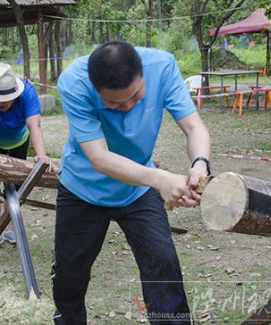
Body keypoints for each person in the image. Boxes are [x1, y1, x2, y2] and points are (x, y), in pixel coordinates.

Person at [53, 40, 211, 324]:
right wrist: (160, 179)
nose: (126, 107)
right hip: (82, 190)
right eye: (113, 103)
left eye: (136, 96)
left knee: (163, 266)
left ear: (142, 75)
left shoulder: (162, 66)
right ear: (94, 88)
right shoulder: (73, 82)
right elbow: (99, 158)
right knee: (70, 274)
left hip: (137, 190)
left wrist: (200, 163)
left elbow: (193, 126)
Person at [0, 62, 53, 251]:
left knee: (15, 186)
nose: (0, 103)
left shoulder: (27, 92)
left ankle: (9, 227)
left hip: (19, 141)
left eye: (5, 99)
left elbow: (35, 126)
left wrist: (41, 155)